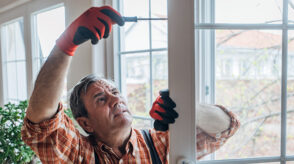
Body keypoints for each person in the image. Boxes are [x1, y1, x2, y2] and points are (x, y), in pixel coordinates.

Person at [21, 5, 240, 164]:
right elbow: (41, 124)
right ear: (86, 124)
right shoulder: (80, 155)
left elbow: (226, 127)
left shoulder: (160, 145)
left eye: (115, 92)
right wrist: (65, 44)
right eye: (101, 99)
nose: (116, 99)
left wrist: (184, 109)